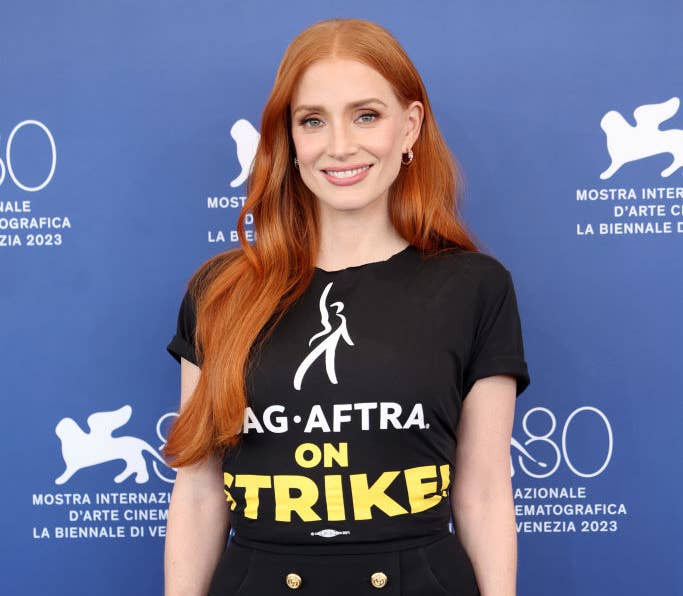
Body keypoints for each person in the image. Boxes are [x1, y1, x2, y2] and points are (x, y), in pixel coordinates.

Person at [164, 17, 530, 596]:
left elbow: (483, 492)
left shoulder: (475, 288)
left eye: (366, 115)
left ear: (410, 127)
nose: (340, 146)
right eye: (313, 121)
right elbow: (201, 492)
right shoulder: (220, 292)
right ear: (288, 138)